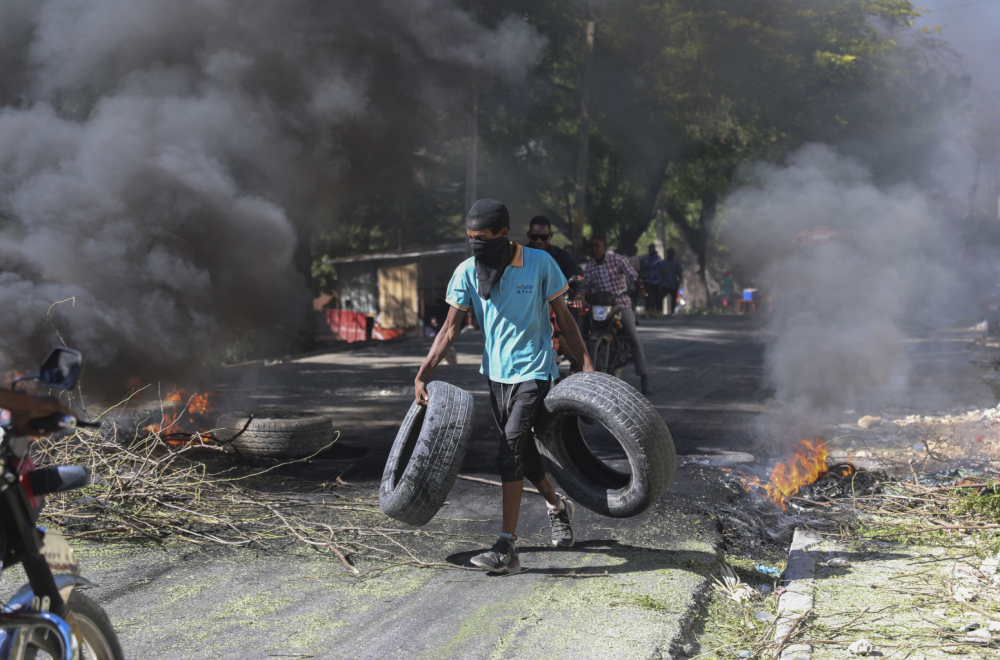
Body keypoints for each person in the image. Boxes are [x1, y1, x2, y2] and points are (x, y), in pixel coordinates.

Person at [415, 199, 595, 575]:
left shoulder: (540, 263)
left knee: (508, 448)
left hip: (535, 371)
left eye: (482, 238)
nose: (476, 244)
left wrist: (586, 364)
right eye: (470, 239)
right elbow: (449, 329)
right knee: (522, 455)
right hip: (495, 376)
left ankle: (507, 548)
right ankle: (558, 508)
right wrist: (424, 372)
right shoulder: (467, 272)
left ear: (503, 234)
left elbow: (564, 319)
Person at [584, 236, 651, 395]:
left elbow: (634, 276)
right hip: (600, 307)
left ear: (604, 246)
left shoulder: (617, 260)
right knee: (584, 331)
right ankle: (586, 376)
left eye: (597, 246)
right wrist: (581, 293)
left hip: (620, 304)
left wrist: (640, 287)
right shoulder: (590, 267)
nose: (594, 249)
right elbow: (585, 285)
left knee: (632, 335)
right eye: (591, 247)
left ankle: (644, 377)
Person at [526, 216, 579, 280]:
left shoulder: (564, 257)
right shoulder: (519, 256)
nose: (539, 241)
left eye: (544, 237)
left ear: (551, 235)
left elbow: (574, 280)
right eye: (534, 237)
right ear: (528, 235)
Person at [640, 244, 664, 318]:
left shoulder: (658, 258)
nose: (650, 250)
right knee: (648, 296)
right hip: (648, 280)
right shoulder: (646, 259)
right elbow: (643, 269)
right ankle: (647, 311)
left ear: (654, 249)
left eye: (651, 248)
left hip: (656, 280)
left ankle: (658, 311)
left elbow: (661, 269)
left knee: (657, 296)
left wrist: (661, 280)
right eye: (649, 249)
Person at [662, 247, 684, 316]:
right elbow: (661, 272)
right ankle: (659, 310)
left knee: (673, 298)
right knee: (661, 296)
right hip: (665, 283)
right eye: (669, 253)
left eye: (671, 253)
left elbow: (680, 274)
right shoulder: (664, 262)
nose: (670, 254)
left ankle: (672, 311)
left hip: (673, 283)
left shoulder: (676, 262)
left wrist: (678, 283)